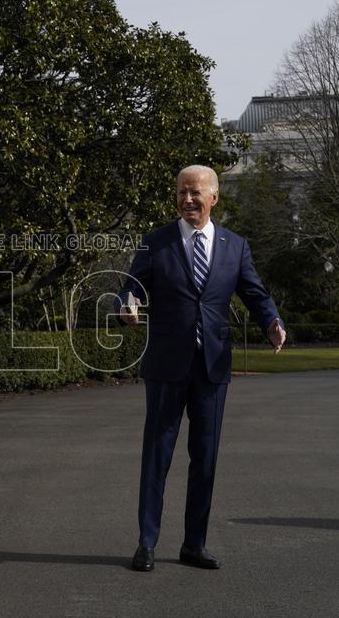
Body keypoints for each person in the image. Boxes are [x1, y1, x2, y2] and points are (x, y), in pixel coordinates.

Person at [116, 164, 286, 571]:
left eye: (195, 192)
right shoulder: (155, 242)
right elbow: (131, 287)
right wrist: (127, 304)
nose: (187, 199)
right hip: (166, 366)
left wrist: (272, 322)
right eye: (181, 192)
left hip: (212, 367)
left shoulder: (235, 246)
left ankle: (194, 545)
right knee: (157, 456)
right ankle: (146, 543)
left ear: (214, 197)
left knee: (205, 459)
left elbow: (255, 293)